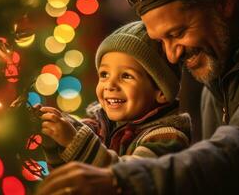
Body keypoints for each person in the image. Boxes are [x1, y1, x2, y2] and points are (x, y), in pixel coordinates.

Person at [36, 0, 239, 194]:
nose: (172, 56)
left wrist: (122, 181)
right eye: (160, 41)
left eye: (178, 33)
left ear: (223, 1)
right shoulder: (217, 77)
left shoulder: (166, 133)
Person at [38, 21, 191, 171]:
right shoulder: (96, 126)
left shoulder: (166, 137)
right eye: (104, 74)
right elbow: (67, 174)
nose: (110, 85)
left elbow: (127, 178)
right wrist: (54, 141)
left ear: (161, 92)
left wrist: (74, 141)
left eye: (126, 76)